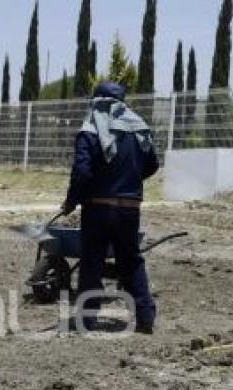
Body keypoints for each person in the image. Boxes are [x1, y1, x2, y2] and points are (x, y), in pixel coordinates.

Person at [61, 81, 160, 333]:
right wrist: (129, 179)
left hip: (98, 208)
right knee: (131, 261)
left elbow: (82, 172)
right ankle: (146, 317)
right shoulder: (139, 128)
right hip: (129, 208)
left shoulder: (90, 128)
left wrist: (72, 201)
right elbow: (152, 165)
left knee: (92, 261)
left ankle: (87, 319)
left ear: (96, 102)